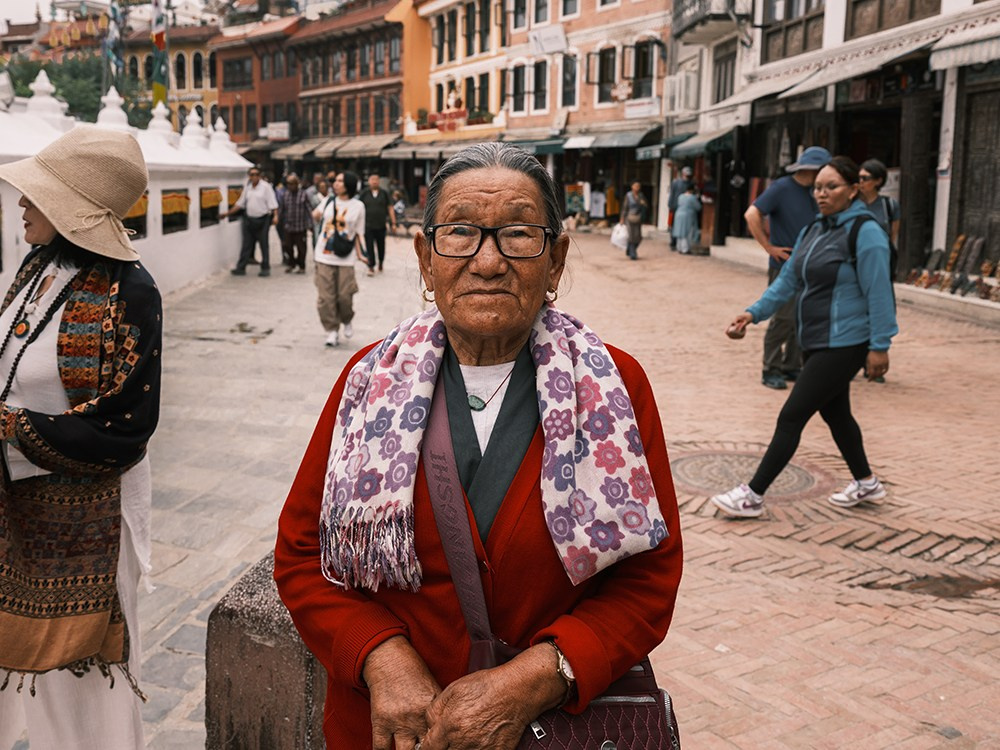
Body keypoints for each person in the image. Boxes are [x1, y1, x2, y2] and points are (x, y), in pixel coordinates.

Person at [274, 142, 683, 749]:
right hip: (397, 731)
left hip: (554, 728)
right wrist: (380, 658)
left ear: (556, 259)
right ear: (424, 256)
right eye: (461, 232)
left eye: (518, 234)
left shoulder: (614, 387)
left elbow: (648, 576)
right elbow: (303, 556)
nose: (488, 262)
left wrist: (537, 677)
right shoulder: (367, 381)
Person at [0, 126, 162, 749]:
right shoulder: (39, 267)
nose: (21, 204)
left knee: (85, 693)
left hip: (88, 521)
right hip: (19, 503)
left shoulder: (131, 291)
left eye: (36, 195)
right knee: (19, 671)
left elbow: (124, 428)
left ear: (74, 207)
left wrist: (8, 430)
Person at [712, 155, 897, 519]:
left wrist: (880, 346)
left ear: (854, 190)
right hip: (814, 338)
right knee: (838, 416)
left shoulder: (867, 232)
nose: (822, 194)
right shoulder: (814, 229)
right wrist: (753, 313)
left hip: (846, 341)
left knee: (792, 415)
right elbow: (788, 281)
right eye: (817, 188)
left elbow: (880, 293)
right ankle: (867, 483)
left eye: (832, 187)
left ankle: (752, 495)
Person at [744, 146, 831, 389]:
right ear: (812, 169)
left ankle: (791, 365)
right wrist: (768, 247)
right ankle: (770, 367)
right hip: (785, 264)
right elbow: (752, 214)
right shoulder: (783, 187)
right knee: (782, 316)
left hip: (812, 264)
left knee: (802, 316)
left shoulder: (816, 192)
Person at [313, 171, 365, 348]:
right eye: (335, 181)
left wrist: (362, 254)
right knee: (325, 297)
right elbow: (316, 214)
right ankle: (331, 330)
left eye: (340, 181)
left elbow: (359, 233)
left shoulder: (358, 206)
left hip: (345, 257)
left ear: (349, 184)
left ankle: (346, 318)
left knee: (344, 296)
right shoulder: (327, 200)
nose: (336, 183)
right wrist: (315, 215)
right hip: (323, 255)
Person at [223, 165, 279, 277]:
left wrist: (276, 216)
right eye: (251, 175)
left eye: (256, 175)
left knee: (263, 244)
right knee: (246, 244)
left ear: (260, 176)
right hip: (249, 219)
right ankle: (241, 267)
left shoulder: (266, 187)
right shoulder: (248, 187)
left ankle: (265, 267)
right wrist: (227, 213)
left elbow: (273, 203)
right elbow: (240, 203)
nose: (254, 177)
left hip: (263, 219)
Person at [359, 173, 397, 275]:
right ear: (369, 181)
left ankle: (381, 262)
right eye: (372, 179)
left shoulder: (384, 193)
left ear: (379, 181)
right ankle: (371, 266)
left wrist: (393, 223)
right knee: (369, 246)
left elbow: (390, 208)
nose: (374, 181)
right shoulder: (364, 193)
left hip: (381, 225)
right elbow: (358, 208)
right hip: (368, 225)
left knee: (381, 246)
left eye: (376, 179)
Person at [858, 159, 900, 246]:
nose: (861, 182)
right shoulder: (851, 204)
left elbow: (892, 236)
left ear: (878, 181)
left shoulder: (889, 205)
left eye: (865, 178)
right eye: (859, 178)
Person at [279, 173, 313, 274]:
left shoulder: (303, 194)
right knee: (287, 246)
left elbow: (308, 209)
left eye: (292, 184)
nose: (290, 186)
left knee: (301, 248)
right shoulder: (285, 195)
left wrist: (310, 224)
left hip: (300, 226)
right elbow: (282, 209)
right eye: (289, 184)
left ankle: (301, 266)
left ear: (297, 184)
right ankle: (291, 263)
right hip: (288, 226)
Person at [619, 180, 649, 260]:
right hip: (629, 217)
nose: (637, 188)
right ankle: (633, 253)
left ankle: (629, 249)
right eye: (635, 186)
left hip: (638, 217)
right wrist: (622, 218)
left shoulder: (641, 195)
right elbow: (625, 207)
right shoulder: (628, 195)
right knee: (631, 236)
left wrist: (643, 204)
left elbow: (646, 205)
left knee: (638, 237)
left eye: (638, 186)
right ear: (632, 186)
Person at [667, 166, 693, 249]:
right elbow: (672, 194)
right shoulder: (676, 182)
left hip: (685, 207)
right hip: (675, 206)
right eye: (686, 174)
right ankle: (673, 242)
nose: (687, 176)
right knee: (673, 225)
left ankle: (679, 243)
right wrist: (671, 205)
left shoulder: (690, 183)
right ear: (683, 174)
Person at [671, 185, 701, 254]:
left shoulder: (680, 196)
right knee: (687, 232)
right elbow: (698, 207)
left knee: (679, 232)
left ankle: (679, 247)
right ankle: (685, 249)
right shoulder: (692, 198)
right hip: (688, 215)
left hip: (678, 214)